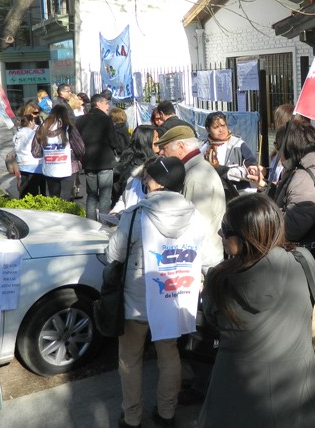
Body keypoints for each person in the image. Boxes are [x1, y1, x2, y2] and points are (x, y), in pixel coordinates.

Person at [107, 157, 219, 428]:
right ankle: (166, 413)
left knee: (130, 358)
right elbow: (211, 259)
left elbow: (113, 254)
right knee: (169, 354)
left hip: (135, 301)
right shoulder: (195, 217)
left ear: (158, 182)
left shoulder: (136, 214)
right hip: (174, 298)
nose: (145, 181)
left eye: (149, 177)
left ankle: (132, 417)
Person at [198, 193, 315, 428]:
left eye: (226, 229)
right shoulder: (304, 261)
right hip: (295, 387)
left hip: (237, 387)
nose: (220, 234)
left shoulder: (219, 278)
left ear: (245, 235)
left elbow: (212, 320)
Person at [156, 125, 226, 406]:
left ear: (182, 147)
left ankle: (201, 385)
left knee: (201, 330)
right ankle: (199, 380)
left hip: (202, 263)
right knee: (198, 327)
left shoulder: (196, 175)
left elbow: (193, 226)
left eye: (166, 149)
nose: (163, 154)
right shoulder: (197, 170)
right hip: (203, 260)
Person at [273, 121, 315, 244]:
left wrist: (263, 217)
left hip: (306, 251)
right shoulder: (311, 168)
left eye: (277, 146)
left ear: (289, 148)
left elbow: (290, 229)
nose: (277, 151)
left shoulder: (304, 178)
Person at [76, 94, 117, 220]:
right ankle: (104, 223)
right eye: (106, 103)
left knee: (91, 195)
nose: (108, 106)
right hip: (105, 161)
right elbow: (114, 141)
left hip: (88, 162)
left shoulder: (80, 120)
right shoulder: (106, 119)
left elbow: (77, 141)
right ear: (98, 104)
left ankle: (90, 222)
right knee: (105, 196)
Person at [32, 103, 85, 200]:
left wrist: (48, 152)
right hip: (69, 168)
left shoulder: (42, 129)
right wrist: (75, 157)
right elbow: (80, 149)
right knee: (67, 198)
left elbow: (36, 153)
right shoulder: (69, 128)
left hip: (50, 168)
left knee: (54, 198)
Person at [200, 111, 258, 197]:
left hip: (236, 194)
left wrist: (227, 172)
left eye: (223, 125)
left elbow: (252, 168)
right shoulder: (203, 147)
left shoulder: (238, 144)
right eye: (216, 127)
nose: (221, 130)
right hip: (211, 194)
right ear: (208, 129)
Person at [111, 125, 159, 213]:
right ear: (146, 141)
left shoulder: (126, 159)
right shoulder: (136, 168)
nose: (159, 140)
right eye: (156, 138)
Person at [12, 101, 45, 197]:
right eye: (35, 113)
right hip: (34, 162)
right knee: (32, 188)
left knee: (28, 188)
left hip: (25, 162)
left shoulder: (22, 130)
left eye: (38, 113)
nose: (37, 115)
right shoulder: (27, 129)